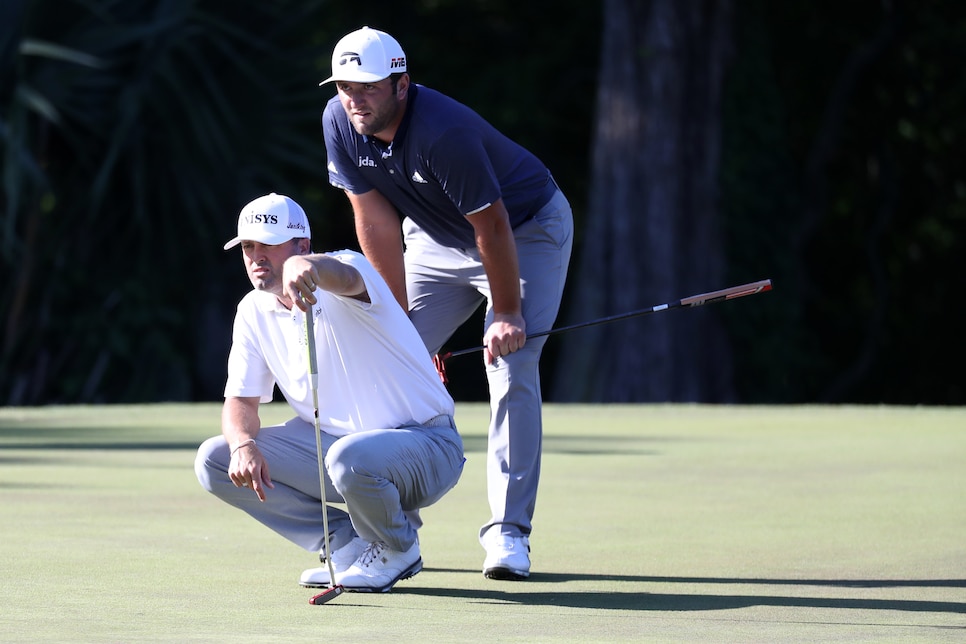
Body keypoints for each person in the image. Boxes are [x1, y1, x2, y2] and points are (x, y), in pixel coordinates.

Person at [319, 27, 574, 580]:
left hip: (525, 231)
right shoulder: (338, 120)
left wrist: (506, 312)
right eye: (344, 86)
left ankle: (509, 533)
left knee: (510, 363)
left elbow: (494, 223)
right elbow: (374, 220)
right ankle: (390, 531)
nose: (354, 99)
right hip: (437, 239)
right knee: (390, 357)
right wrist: (398, 320)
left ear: (401, 84)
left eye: (367, 87)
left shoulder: (443, 131)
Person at [194, 192, 464, 593]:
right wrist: (243, 445)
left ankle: (397, 547)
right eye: (248, 246)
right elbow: (241, 401)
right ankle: (346, 542)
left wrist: (309, 267)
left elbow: (344, 275)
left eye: (268, 244)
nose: (256, 257)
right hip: (341, 451)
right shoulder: (252, 310)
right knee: (215, 460)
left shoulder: (348, 269)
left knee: (347, 458)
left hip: (426, 445)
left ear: (302, 244)